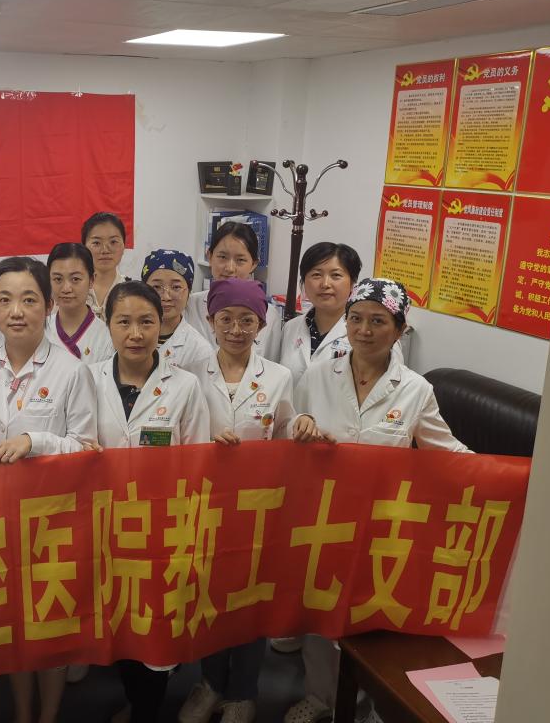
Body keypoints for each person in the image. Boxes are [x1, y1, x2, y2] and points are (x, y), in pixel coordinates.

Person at [285, 277, 468, 723]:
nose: (364, 330)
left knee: (368, 617)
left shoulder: (415, 389)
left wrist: (507, 476)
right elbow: (290, 423)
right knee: (319, 610)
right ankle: (320, 696)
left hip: (381, 523)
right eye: (356, 319)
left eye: (378, 321)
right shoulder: (318, 374)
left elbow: (446, 451)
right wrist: (300, 425)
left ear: (400, 329)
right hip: (323, 515)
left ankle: (363, 704)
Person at [0, 256, 98, 723]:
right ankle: (23, 713)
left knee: (50, 623)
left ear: (48, 305)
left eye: (29, 299)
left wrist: (34, 442)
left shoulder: (71, 370)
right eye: (4, 300)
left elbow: (86, 447)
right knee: (12, 625)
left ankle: (49, 715)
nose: (16, 311)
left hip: (53, 519)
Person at [91, 280, 209, 723]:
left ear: (162, 325)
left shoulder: (185, 386)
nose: (136, 334)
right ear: (108, 325)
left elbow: (198, 461)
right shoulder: (89, 379)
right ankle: (135, 699)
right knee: (119, 619)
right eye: (124, 322)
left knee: (156, 626)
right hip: (106, 525)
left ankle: (146, 709)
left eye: (146, 322)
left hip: (163, 527)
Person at [181, 278, 295, 723]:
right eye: (225, 318)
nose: (235, 329)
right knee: (207, 597)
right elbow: (179, 432)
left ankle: (244, 692)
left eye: (247, 320)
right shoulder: (189, 374)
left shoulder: (279, 377)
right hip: (204, 504)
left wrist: (302, 424)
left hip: (257, 507)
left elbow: (284, 434)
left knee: (250, 599)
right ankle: (210, 683)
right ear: (211, 321)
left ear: (261, 325)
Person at [185, 222, 283, 361]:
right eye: (222, 257)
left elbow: (271, 365)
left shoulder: (269, 315)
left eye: (240, 260)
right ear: (210, 256)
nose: (230, 268)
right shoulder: (190, 305)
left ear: (253, 264)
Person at [278, 242, 360, 390]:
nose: (325, 284)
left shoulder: (365, 334)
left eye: (336, 275)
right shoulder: (291, 327)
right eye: (316, 275)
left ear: (352, 283)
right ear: (303, 281)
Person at [140, 249, 213, 374]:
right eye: (156, 287)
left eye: (176, 287)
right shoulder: (126, 333)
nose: (166, 297)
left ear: (189, 292)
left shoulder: (200, 350)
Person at [47, 242, 114, 365]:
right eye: (58, 279)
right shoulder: (39, 331)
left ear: (91, 280)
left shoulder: (108, 337)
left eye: (75, 279)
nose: (66, 288)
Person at [82, 211, 130, 320]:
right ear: (84, 247)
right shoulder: (73, 290)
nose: (105, 250)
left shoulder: (133, 291)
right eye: (96, 243)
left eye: (113, 242)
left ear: (124, 246)